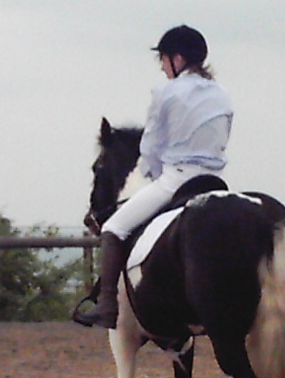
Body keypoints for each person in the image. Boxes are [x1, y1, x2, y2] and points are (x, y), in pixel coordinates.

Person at [73, 25, 233, 329]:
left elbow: (151, 146)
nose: (161, 67)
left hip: (176, 179)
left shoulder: (166, 92)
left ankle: (107, 306)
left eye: (163, 60)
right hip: (215, 181)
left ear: (177, 58)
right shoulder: (222, 94)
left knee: (114, 229)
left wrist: (151, 173)